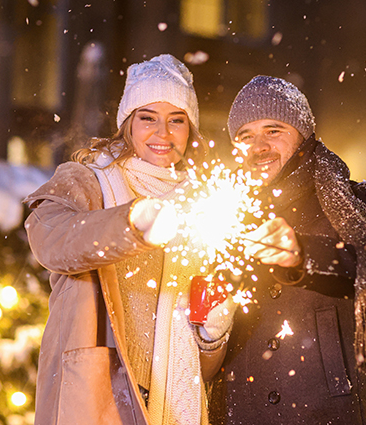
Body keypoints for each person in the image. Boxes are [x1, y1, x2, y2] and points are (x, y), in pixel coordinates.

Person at [24, 54, 234, 425]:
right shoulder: (90, 182)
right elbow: (49, 238)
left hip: (176, 405)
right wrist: (133, 223)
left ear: (191, 130)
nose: (162, 134)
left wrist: (213, 334)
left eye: (177, 121)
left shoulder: (204, 204)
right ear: (128, 124)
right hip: (100, 397)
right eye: (148, 118)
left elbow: (202, 365)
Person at [209, 76, 366, 425]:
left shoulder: (360, 202)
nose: (259, 146)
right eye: (246, 136)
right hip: (243, 410)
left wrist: (303, 254)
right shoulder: (222, 215)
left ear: (304, 136)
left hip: (331, 411)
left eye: (274, 130)